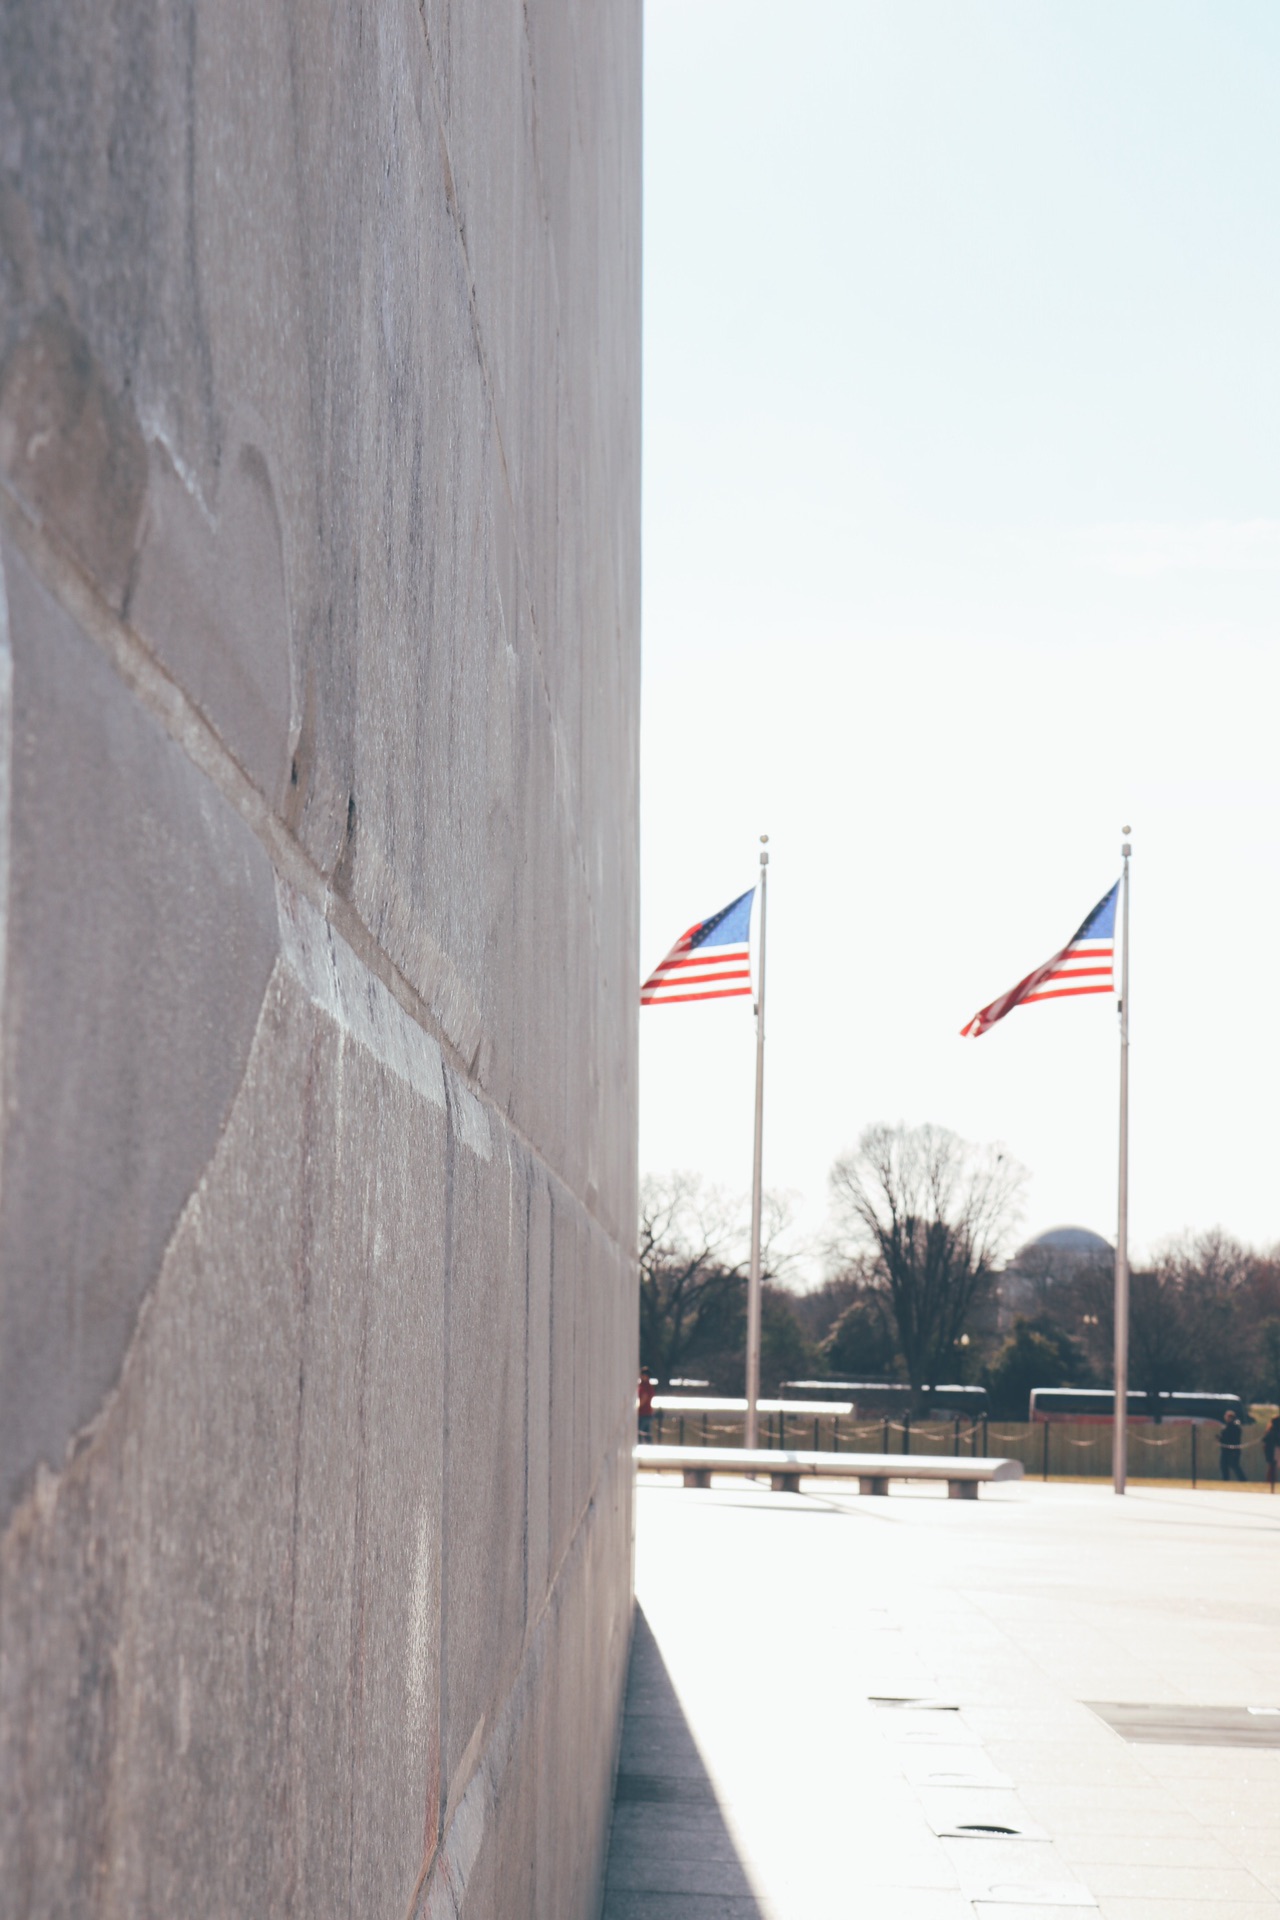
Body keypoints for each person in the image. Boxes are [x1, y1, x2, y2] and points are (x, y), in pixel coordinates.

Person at [1218, 1407, 1246, 1482]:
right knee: (1224, 1465)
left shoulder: (1234, 1427)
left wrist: (1222, 1439)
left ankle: (1243, 1480)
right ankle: (1225, 1480)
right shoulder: (1226, 1426)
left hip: (1233, 1450)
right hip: (1225, 1450)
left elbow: (1231, 1438)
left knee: (1234, 1465)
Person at [637, 1366, 656, 1442]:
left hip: (643, 1413)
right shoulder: (648, 1386)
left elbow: (644, 1398)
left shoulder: (645, 1386)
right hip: (647, 1413)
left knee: (640, 1434)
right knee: (647, 1435)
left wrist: (637, 1408)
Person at [1263, 1413, 1280, 1494]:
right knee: (1272, 1467)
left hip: (1273, 1449)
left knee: (1272, 1467)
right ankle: (1271, 1482)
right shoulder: (1272, 1431)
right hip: (1274, 1449)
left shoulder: (1270, 1431)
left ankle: (1271, 1482)